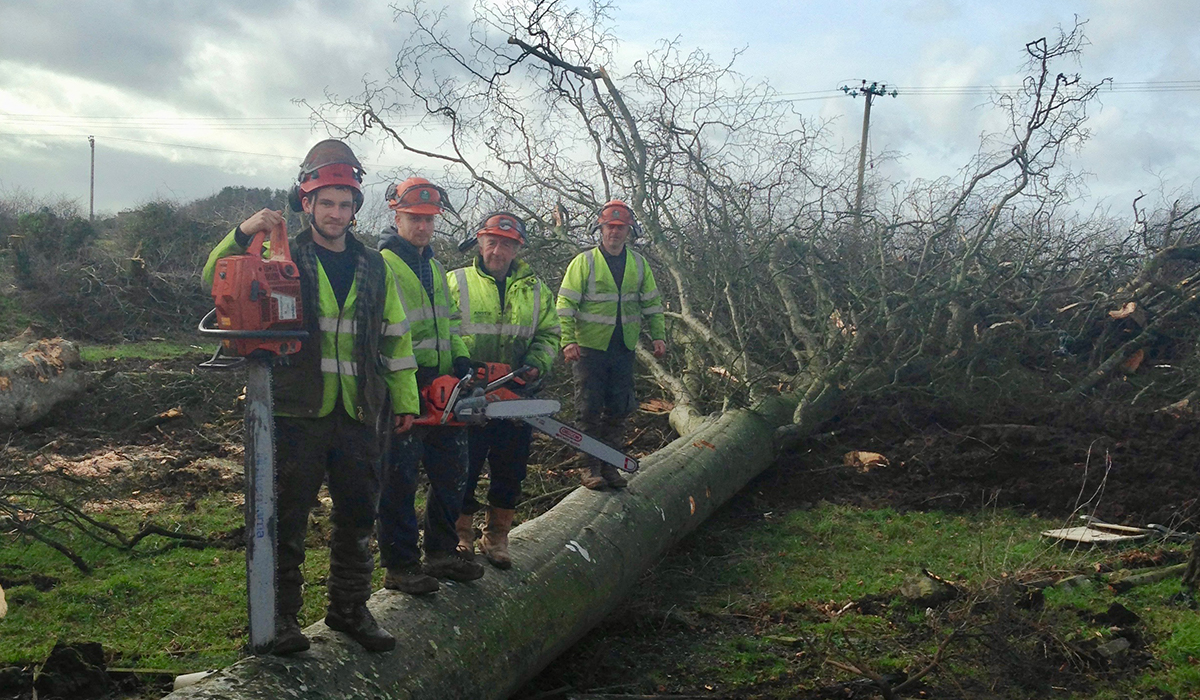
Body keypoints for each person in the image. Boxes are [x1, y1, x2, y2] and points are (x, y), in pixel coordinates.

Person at [202, 139, 417, 654]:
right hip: (296, 408)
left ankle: (348, 608)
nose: (336, 213)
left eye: (345, 204)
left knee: (359, 513)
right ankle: (280, 619)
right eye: (327, 203)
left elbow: (396, 337)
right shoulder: (280, 251)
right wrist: (241, 233)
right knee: (289, 516)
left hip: (360, 408)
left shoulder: (374, 265)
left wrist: (405, 399)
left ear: (356, 208)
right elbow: (216, 279)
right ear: (307, 203)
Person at [376, 177, 484, 594]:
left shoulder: (436, 267)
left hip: (443, 386)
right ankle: (400, 564)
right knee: (399, 480)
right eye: (414, 219)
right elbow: (380, 330)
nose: (422, 227)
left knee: (452, 473)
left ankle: (440, 552)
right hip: (401, 385)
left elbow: (449, 322)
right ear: (397, 215)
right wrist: (406, 378)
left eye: (428, 220)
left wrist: (459, 359)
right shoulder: (382, 263)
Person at [447, 212, 560, 569]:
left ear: (517, 248)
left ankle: (497, 536)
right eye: (492, 242)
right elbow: (444, 328)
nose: (498, 250)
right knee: (463, 466)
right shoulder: (455, 282)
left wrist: (535, 363)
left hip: (515, 394)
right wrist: (463, 362)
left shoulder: (535, 289)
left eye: (506, 244)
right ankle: (459, 533)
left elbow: (549, 334)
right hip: (469, 393)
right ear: (479, 242)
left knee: (510, 468)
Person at [556, 200, 667, 490]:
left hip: (623, 347)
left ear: (628, 231)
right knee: (589, 408)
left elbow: (652, 303)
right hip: (589, 348)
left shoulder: (638, 264)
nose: (615, 233)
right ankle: (589, 466)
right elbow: (565, 303)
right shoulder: (585, 262)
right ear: (600, 229)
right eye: (610, 227)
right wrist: (567, 340)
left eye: (620, 228)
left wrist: (658, 335)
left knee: (619, 407)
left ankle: (611, 463)